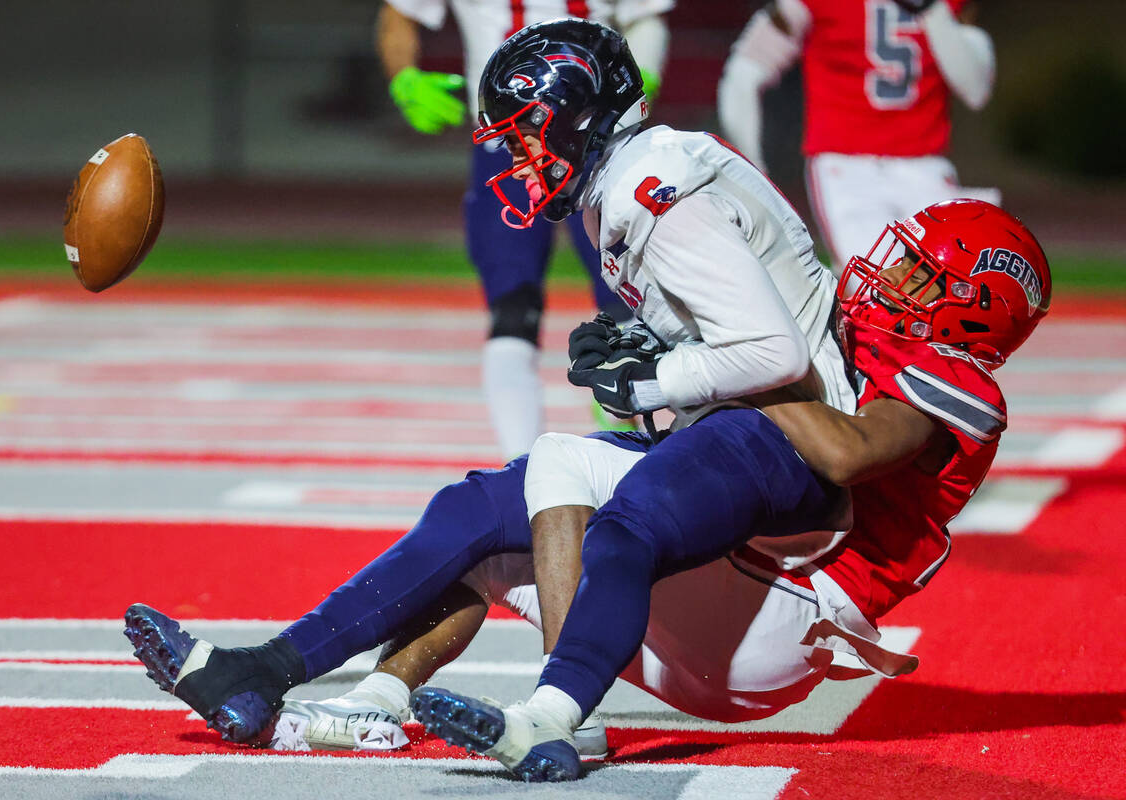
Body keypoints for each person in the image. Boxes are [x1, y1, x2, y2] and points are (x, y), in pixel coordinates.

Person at [124, 16, 859, 763]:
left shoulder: (652, 187)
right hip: (735, 481)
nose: (516, 156)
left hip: (778, 507)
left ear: (571, 116)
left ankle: (558, 713)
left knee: (571, 475)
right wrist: (663, 352)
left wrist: (653, 377)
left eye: (522, 134)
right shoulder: (636, 176)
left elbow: (774, 351)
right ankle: (269, 675)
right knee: (471, 511)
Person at [411, 193, 1052, 781]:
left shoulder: (953, 380)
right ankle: (378, 702)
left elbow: (845, 452)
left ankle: (555, 716)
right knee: (493, 546)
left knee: (592, 494)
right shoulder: (866, 333)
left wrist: (731, 365)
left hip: (789, 611)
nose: (883, 275)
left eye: (915, 273)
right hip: (741, 589)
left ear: (972, 309)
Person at [376, 0, 672, 458]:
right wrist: (404, 78)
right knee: (512, 309)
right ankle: (525, 470)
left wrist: (642, 75)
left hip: (590, 138)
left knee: (630, 304)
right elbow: (399, 13)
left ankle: (628, 425)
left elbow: (645, 15)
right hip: (508, 146)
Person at [717, 0, 999, 271]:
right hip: (847, 167)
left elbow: (976, 90)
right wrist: (756, 175)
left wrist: (934, 11)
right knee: (880, 290)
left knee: (960, 282)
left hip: (925, 165)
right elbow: (744, 76)